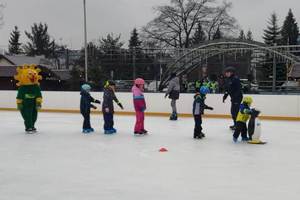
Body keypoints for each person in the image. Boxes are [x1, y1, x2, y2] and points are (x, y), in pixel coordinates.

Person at [15, 64, 43, 133]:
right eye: (30, 74)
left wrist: (38, 102)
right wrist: (19, 103)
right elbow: (20, 95)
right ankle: (28, 127)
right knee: (27, 116)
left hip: (33, 104)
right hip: (25, 104)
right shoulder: (22, 87)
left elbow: (38, 95)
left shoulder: (36, 86)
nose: (33, 75)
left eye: (34, 73)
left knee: (34, 116)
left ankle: (32, 126)